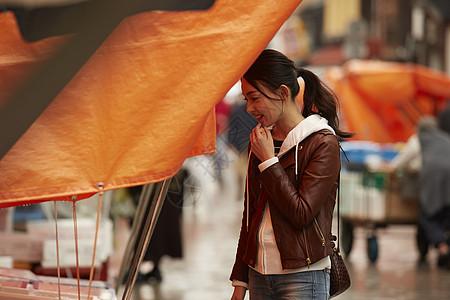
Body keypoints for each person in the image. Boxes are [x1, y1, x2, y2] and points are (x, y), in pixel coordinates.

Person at [229, 49, 353, 300]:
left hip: (303, 276)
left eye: (255, 98)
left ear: (283, 93)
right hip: (259, 275)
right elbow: (250, 215)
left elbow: (302, 213)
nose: (250, 108)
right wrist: (240, 281)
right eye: (246, 100)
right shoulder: (262, 140)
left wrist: (269, 162)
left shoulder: (321, 142)